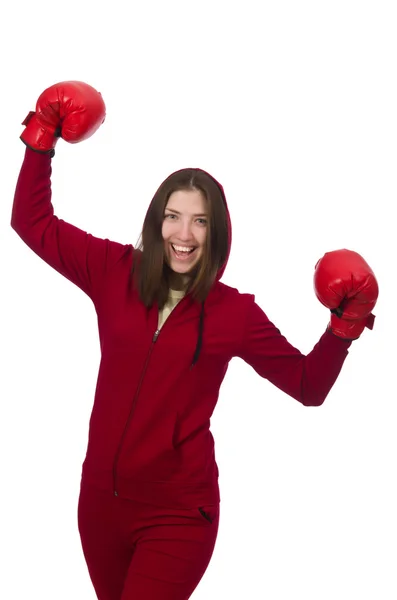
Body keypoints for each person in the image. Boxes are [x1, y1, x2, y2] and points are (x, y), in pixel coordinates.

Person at [11, 81, 379, 600]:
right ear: (157, 221)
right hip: (99, 502)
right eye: (174, 216)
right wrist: (42, 133)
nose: (184, 235)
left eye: (200, 221)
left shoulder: (235, 313)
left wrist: (345, 326)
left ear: (216, 232)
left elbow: (306, 384)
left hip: (178, 513)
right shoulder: (114, 270)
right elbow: (32, 222)